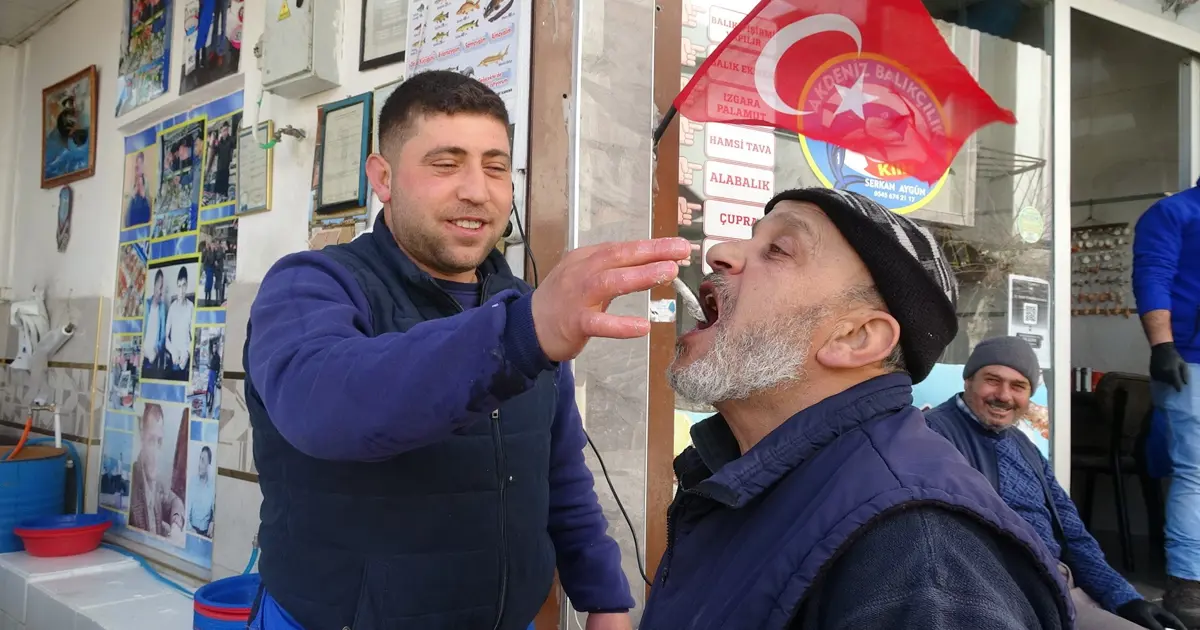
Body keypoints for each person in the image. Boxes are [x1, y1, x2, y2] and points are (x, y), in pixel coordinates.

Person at [244, 70, 689, 630]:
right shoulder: (310, 285)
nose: (477, 190)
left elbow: (556, 468)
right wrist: (521, 333)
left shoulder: (518, 304)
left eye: (496, 167)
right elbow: (325, 405)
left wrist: (603, 598)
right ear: (382, 178)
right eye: (446, 163)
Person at [641, 188, 1074, 630]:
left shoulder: (919, 557)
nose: (720, 252)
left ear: (856, 338)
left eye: (778, 250)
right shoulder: (749, 476)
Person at [925, 336, 1184, 630]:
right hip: (999, 598)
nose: (1004, 395)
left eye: (1018, 386)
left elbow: (1073, 533)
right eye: (992, 380)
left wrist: (1124, 597)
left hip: (1058, 586)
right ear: (968, 380)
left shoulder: (1021, 444)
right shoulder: (934, 434)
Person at [1133, 183, 1200, 626]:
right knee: (1196, 472)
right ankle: (1188, 586)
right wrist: (1163, 345)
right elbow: (1153, 275)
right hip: (1189, 363)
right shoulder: (1173, 213)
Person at [128, 402, 185, 536]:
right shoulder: (131, 483)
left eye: (159, 442)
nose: (155, 451)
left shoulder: (157, 483)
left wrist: (176, 524)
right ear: (142, 438)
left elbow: (175, 501)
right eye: (151, 440)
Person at [165, 266, 194, 374]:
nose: (181, 290)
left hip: (185, 358)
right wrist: (172, 351)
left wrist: (187, 352)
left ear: (187, 286)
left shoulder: (191, 307)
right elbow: (165, 336)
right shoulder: (172, 308)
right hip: (173, 356)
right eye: (179, 286)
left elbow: (193, 336)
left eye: (184, 286)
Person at [142, 270, 167, 373]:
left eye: (162, 288)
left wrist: (156, 351)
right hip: (141, 354)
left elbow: (163, 335)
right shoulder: (146, 304)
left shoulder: (162, 308)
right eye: (159, 287)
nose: (160, 292)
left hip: (153, 356)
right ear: (154, 285)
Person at [188, 445, 215, 537]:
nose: (199, 464)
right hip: (191, 530)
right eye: (200, 459)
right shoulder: (192, 482)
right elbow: (186, 512)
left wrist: (213, 521)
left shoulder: (212, 487)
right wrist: (190, 530)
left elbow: (215, 511)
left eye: (203, 460)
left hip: (205, 534)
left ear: (209, 466)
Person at [126, 152, 151, 228]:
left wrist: (142, 189)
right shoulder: (132, 181)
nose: (138, 165)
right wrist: (136, 186)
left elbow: (148, 200)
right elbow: (128, 198)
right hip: (133, 215)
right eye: (137, 163)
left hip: (143, 215)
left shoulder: (146, 180)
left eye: (140, 163)